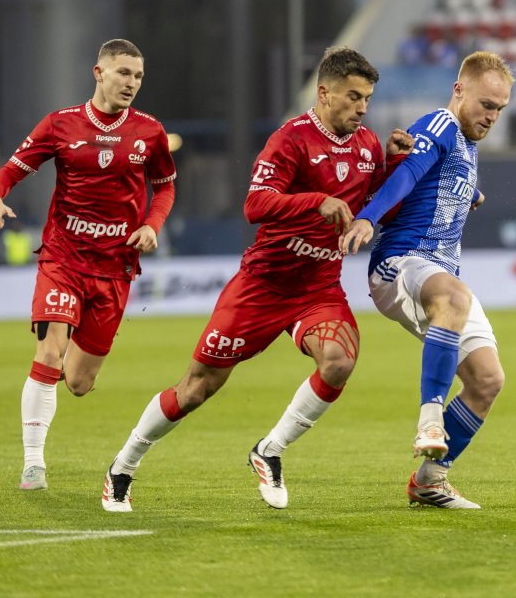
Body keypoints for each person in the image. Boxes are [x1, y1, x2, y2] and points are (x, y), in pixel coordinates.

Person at [101, 47, 412, 513]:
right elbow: (255, 205)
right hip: (262, 286)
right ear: (324, 93)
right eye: (353, 97)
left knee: (339, 361)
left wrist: (395, 166)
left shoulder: (367, 144)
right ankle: (122, 467)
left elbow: (376, 208)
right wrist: (315, 200)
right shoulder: (291, 139)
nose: (362, 108)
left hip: (318, 289)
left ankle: (269, 450)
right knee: (196, 389)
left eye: (367, 98)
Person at [0, 38, 177, 492]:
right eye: (123, 72)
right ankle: (33, 464)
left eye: (138, 76)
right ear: (98, 72)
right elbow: (10, 170)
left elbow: (165, 186)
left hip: (115, 268)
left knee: (80, 383)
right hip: (63, 258)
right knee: (49, 351)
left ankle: (62, 354)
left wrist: (152, 225)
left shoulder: (149, 132)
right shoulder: (60, 124)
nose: (131, 82)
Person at [339, 51, 515, 510]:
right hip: (400, 264)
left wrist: (471, 193)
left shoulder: (467, 145)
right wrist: (368, 217)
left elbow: (435, 179)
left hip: (439, 276)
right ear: (459, 90)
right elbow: (409, 173)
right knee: (455, 296)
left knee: (488, 380)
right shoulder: (440, 124)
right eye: (486, 104)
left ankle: (430, 481)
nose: (492, 116)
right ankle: (430, 421)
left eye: (500, 109)